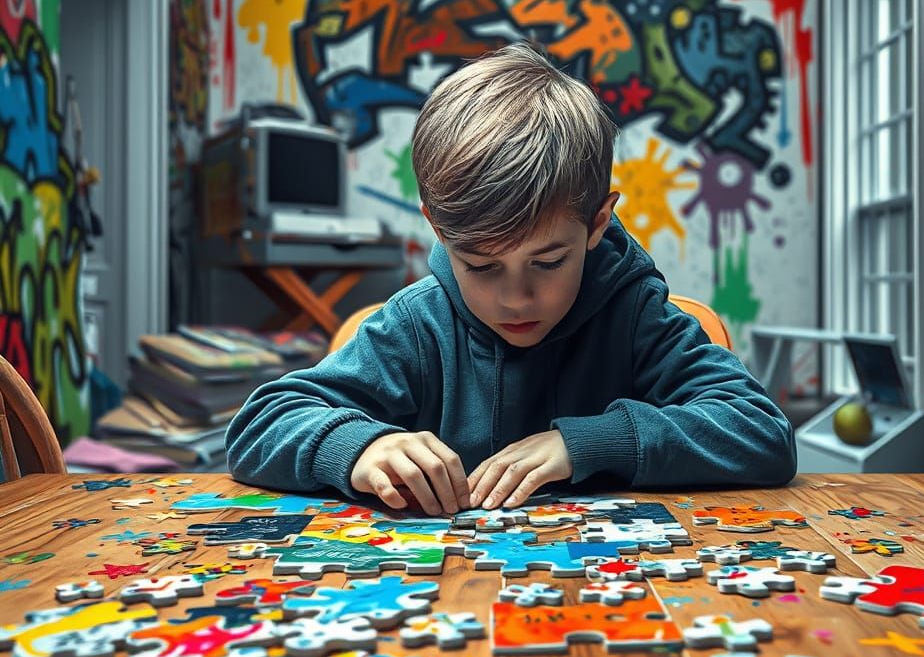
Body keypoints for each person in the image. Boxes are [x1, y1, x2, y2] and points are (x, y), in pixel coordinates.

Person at [225, 42, 796, 515]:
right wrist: (359, 447)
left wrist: (591, 443)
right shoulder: (417, 324)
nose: (516, 298)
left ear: (597, 224)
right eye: (480, 265)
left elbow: (761, 431)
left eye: (547, 262)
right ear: (439, 231)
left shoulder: (634, 314)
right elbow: (260, 423)